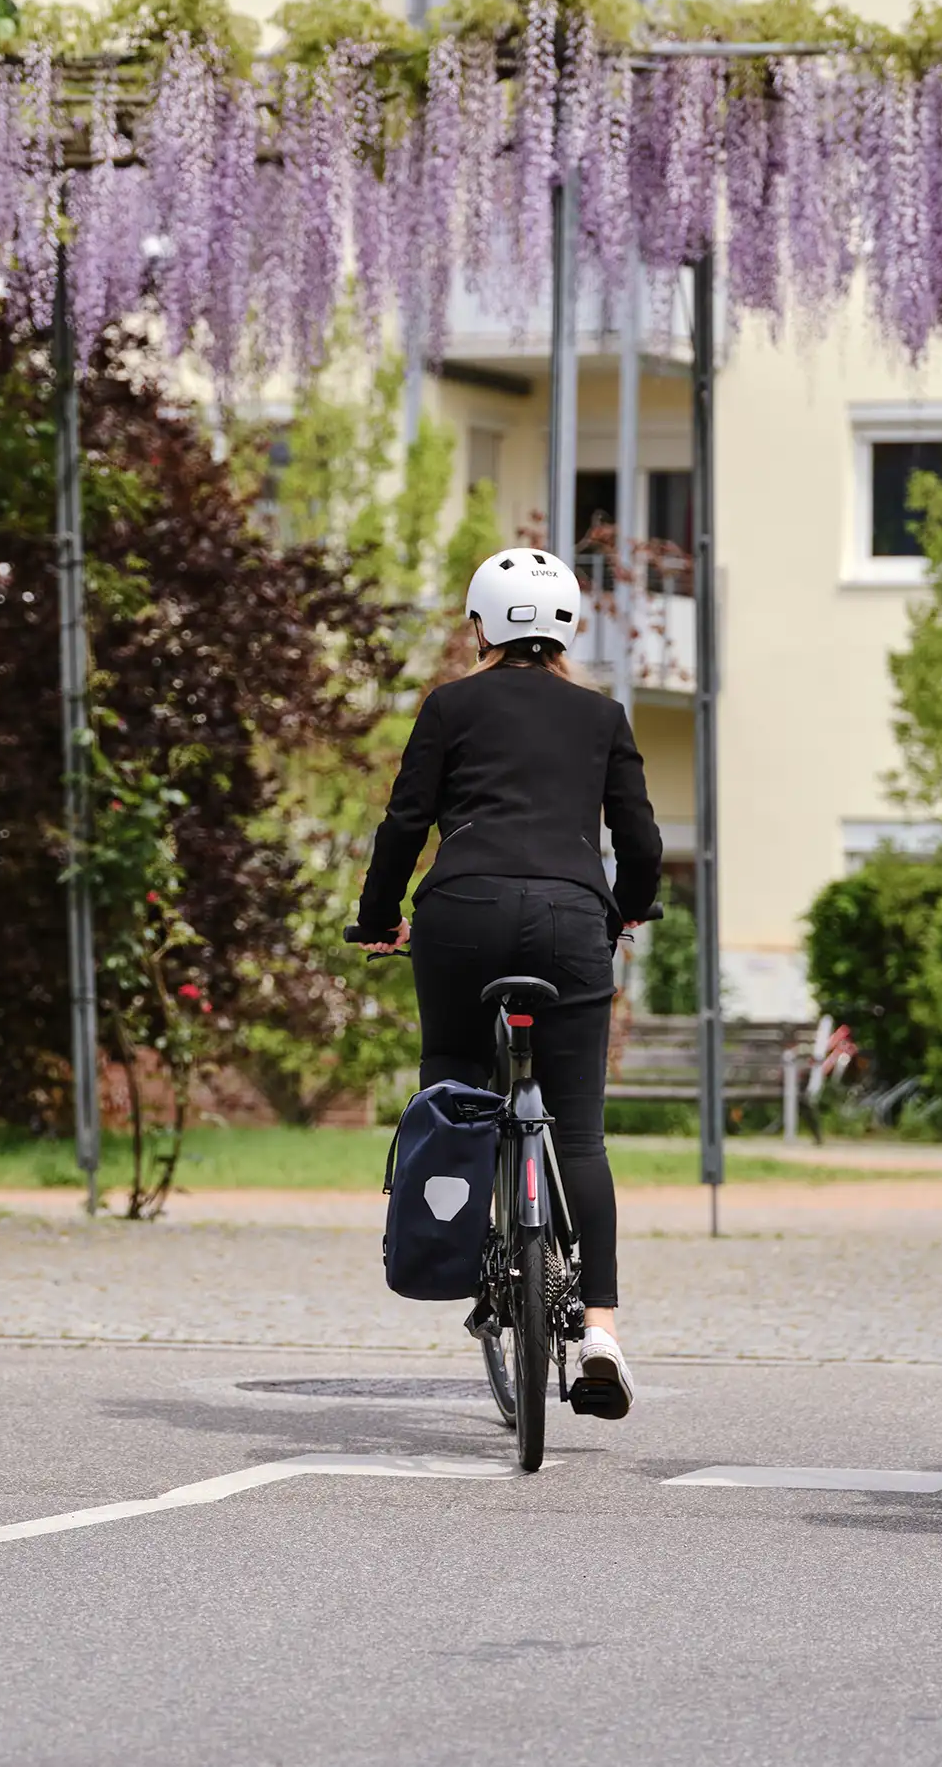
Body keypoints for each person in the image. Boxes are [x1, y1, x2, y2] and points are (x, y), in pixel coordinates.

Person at [357, 547, 664, 1418]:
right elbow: (639, 841)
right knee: (581, 1135)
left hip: (460, 914)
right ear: (568, 628)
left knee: (454, 1086)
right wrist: (626, 910)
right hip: (570, 920)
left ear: (480, 625)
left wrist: (379, 918)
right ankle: (599, 1330)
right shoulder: (602, 716)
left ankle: (458, 1252)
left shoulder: (449, 705)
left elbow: (403, 825)